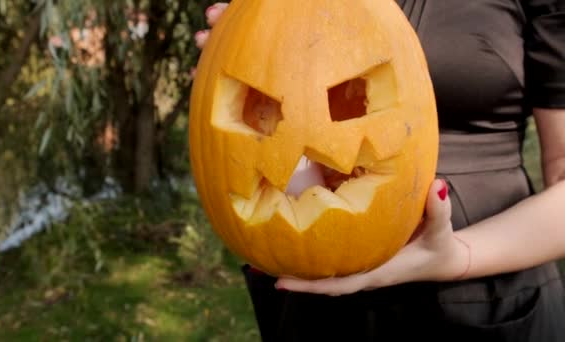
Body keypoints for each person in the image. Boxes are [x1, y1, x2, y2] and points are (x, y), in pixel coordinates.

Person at [195, 1, 565, 341]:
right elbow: (279, 133)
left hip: (492, 296)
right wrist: (242, 66)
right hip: (318, 299)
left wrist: (457, 255)